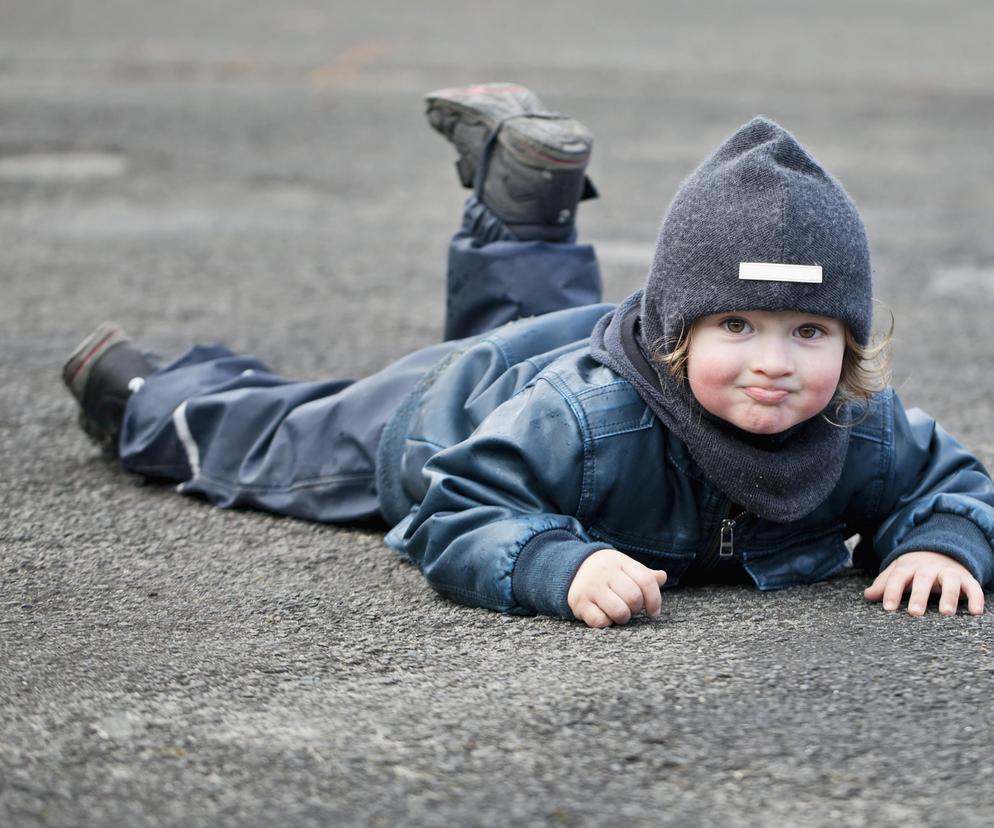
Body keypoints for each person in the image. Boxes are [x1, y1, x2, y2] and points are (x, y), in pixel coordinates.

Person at [62, 83, 994, 627]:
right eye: (737, 326)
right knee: (272, 445)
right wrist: (555, 563)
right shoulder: (589, 420)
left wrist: (946, 543)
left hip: (556, 357)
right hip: (441, 416)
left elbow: (953, 485)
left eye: (811, 333)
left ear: (852, 342)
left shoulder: (858, 429)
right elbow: (460, 508)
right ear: (677, 334)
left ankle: (523, 199)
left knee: (526, 340)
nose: (775, 361)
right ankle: (146, 394)